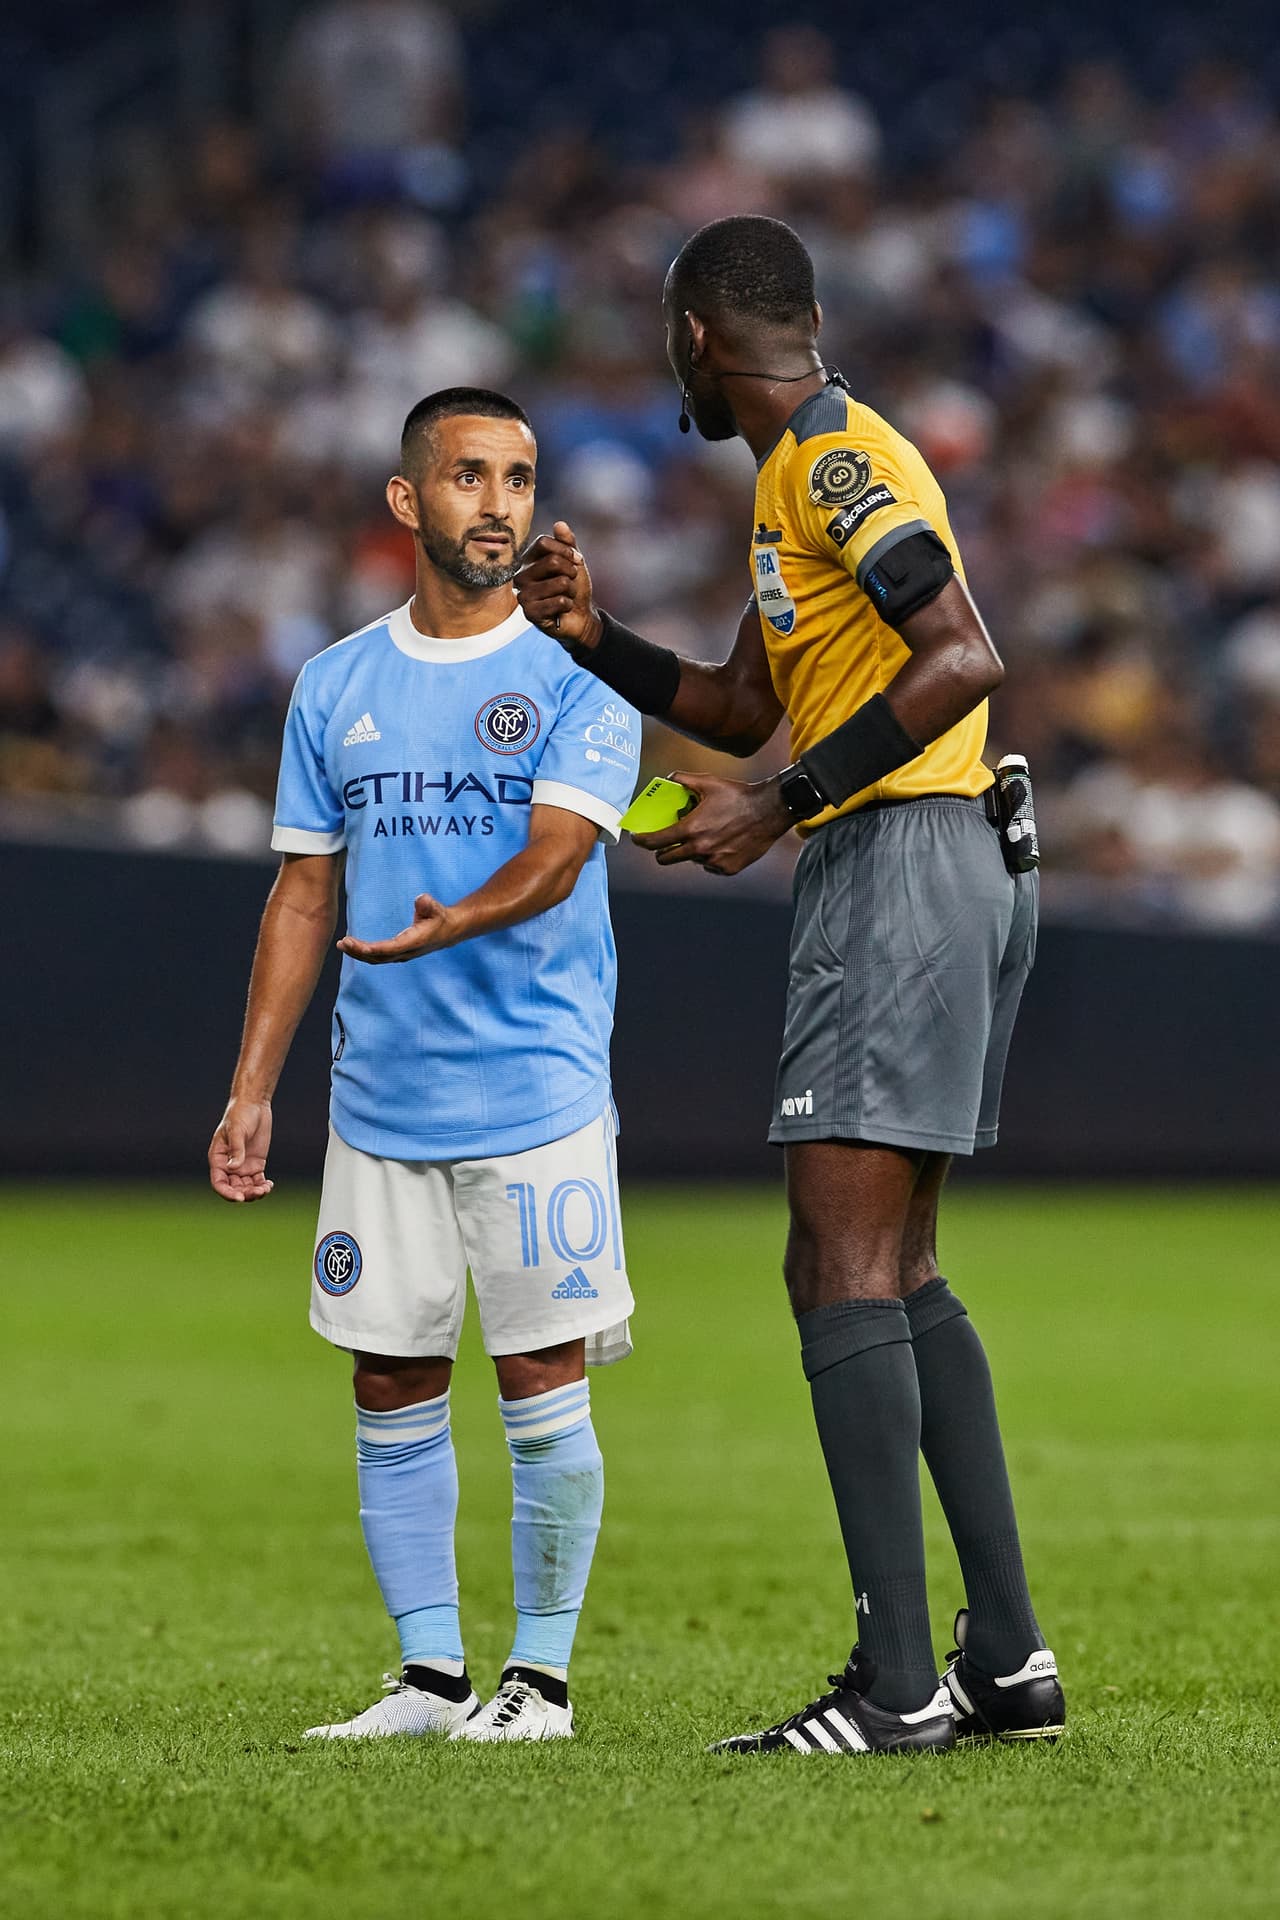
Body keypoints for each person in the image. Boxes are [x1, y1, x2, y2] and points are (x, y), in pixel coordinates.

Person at [516, 217, 1065, 1757]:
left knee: (836, 1266)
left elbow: (963, 655)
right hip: (936, 855)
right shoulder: (790, 485)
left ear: (697, 335)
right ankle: (1006, 1660)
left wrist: (784, 803)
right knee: (894, 1264)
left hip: (900, 858)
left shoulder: (831, 462)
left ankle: (897, 1686)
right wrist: (595, 639)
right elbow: (746, 703)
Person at [208, 387, 638, 1743]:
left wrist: (461, 917)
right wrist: (252, 1089)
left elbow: (563, 851)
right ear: (409, 502)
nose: (499, 503)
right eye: (468, 476)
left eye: (517, 478)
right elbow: (299, 897)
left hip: (536, 1090)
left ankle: (544, 1681)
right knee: (389, 1374)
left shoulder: (579, 671)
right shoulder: (336, 685)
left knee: (537, 1376)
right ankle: (431, 1678)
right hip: (380, 1098)